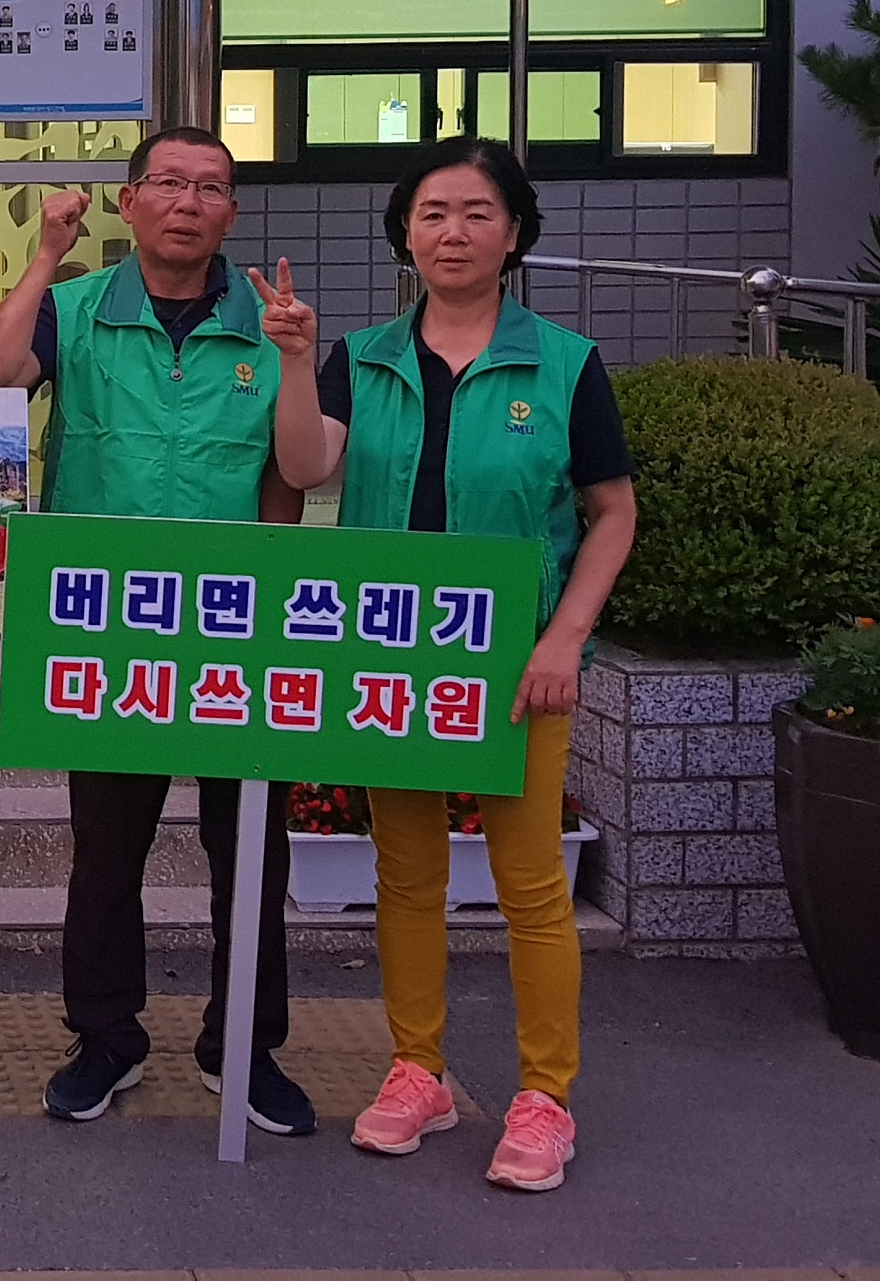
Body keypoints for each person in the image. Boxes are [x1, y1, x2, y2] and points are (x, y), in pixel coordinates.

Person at [255, 135, 638, 1194]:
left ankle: (544, 1096)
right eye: (432, 213)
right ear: (404, 234)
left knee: (530, 885)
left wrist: (563, 637)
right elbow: (305, 466)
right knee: (407, 875)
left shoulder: (564, 364)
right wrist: (296, 361)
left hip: (515, 663)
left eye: (476, 213)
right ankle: (416, 1071)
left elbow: (611, 513)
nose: (452, 232)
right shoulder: (363, 357)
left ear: (514, 234)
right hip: (393, 651)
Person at [0, 127, 316, 1137]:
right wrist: (43, 257)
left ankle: (243, 1047)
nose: (188, 202)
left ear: (232, 213)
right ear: (129, 200)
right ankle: (104, 1038)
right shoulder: (73, 310)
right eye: (167, 182)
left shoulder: (272, 324)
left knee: (249, 846)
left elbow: (292, 476)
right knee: (106, 849)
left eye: (211, 188)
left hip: (236, 622)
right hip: (106, 620)